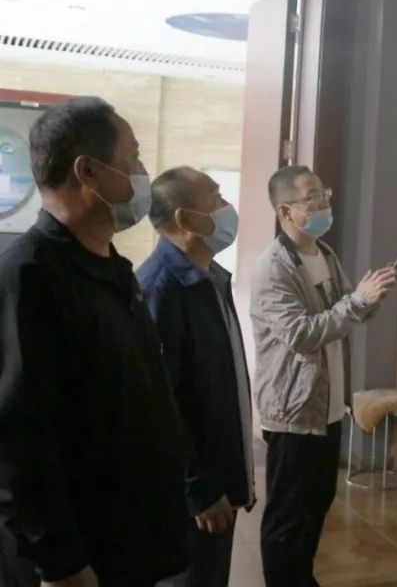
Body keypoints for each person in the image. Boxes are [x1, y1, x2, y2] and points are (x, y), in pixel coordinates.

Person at [0, 97, 189, 587]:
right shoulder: (29, 277)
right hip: (80, 563)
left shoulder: (114, 270)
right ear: (88, 171)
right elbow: (18, 440)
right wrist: (60, 562)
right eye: (134, 157)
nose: (144, 174)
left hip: (131, 546)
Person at [250, 165, 397, 587]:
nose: (324, 204)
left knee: (316, 504)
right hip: (294, 410)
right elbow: (301, 334)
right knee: (288, 515)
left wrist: (371, 294)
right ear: (285, 211)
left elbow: (345, 313)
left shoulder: (323, 253)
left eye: (324, 194)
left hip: (328, 405)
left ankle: (301, 578)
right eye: (312, 197)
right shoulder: (273, 266)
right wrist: (357, 302)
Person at [136, 167, 254, 587]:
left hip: (219, 480)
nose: (227, 207)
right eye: (216, 199)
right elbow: (156, 404)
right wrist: (197, 487)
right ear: (185, 219)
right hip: (191, 498)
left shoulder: (211, 278)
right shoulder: (159, 289)